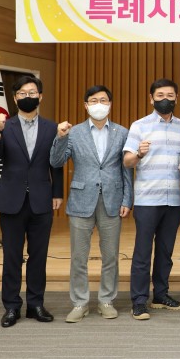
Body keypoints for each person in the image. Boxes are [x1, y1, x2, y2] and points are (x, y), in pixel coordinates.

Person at [49, 85, 132, 323]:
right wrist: (60, 137)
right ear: (85, 105)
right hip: (81, 200)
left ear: (110, 104)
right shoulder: (73, 132)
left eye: (103, 100)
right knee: (79, 256)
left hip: (112, 200)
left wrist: (127, 199)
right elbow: (56, 161)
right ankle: (80, 302)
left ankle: (106, 300)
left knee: (111, 256)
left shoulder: (122, 132)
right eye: (94, 101)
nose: (99, 104)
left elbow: (126, 169)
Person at [0, 75, 63, 328]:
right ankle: (11, 306)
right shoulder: (4, 125)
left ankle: (35, 304)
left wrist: (57, 193)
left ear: (40, 96)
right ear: (14, 97)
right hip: (11, 200)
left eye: (32, 92)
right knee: (12, 256)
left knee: (39, 256)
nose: (27, 97)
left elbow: (56, 163)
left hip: (41, 199)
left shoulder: (51, 128)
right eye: (22, 93)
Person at [123, 78, 180, 320]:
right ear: (151, 99)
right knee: (142, 253)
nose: (165, 99)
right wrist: (139, 154)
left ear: (176, 98)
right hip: (147, 199)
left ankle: (161, 295)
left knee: (165, 251)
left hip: (174, 200)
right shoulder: (139, 125)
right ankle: (139, 301)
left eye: (170, 96)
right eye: (160, 95)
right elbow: (127, 161)